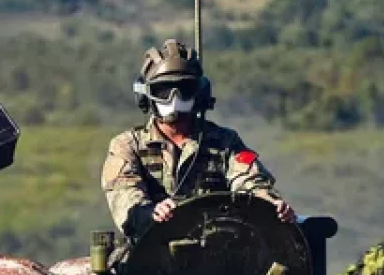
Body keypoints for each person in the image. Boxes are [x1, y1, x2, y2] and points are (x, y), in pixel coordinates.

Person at [101, 38, 295, 241]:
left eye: (184, 89)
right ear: (146, 95)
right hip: (149, 252)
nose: (174, 99)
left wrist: (269, 203)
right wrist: (149, 212)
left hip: (216, 251)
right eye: (164, 91)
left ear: (199, 92)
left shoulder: (224, 142)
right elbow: (124, 195)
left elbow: (249, 180)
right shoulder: (127, 146)